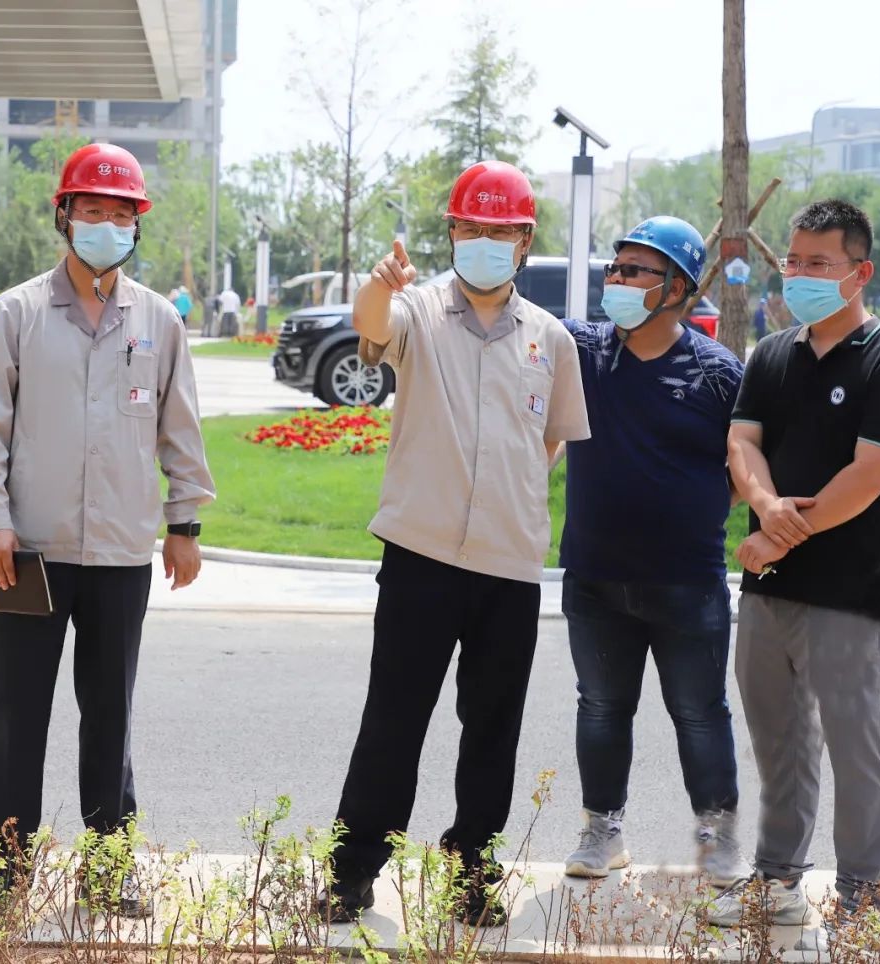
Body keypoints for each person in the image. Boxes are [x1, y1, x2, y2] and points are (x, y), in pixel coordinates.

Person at [320, 160, 589, 926]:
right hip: (421, 557)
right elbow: (374, 326)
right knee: (394, 719)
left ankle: (473, 867)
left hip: (508, 565)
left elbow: (550, 440)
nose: (483, 241)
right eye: (470, 227)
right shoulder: (418, 312)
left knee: (493, 730)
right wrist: (380, 285)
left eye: (499, 230)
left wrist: (503, 492)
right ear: (451, 233)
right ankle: (352, 869)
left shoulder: (550, 339)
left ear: (524, 240)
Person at [0, 142, 216, 914]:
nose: (106, 225)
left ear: (137, 225)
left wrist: (184, 523)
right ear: (64, 216)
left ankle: (108, 868)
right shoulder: (16, 314)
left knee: (110, 715)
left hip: (119, 553)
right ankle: (3, 871)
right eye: (92, 210)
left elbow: (180, 427)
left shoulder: (159, 321)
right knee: (16, 714)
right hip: (28, 552)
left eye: (120, 214)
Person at [710, 199, 880, 943]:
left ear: (860, 273)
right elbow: (743, 444)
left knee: (861, 751)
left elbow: (871, 475)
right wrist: (766, 507)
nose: (798, 274)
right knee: (780, 748)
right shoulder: (773, 354)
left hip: (851, 595)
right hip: (769, 593)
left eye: (818, 263)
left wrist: (779, 536)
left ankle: (866, 900)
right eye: (793, 261)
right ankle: (777, 880)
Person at [559, 217, 747, 885]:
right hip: (594, 578)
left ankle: (718, 840)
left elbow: (747, 465)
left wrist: (696, 510)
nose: (616, 279)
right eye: (615, 267)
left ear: (676, 289)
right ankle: (601, 832)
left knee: (700, 714)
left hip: (688, 584)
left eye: (635, 270)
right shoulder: (582, 350)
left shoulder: (719, 372)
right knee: (601, 708)